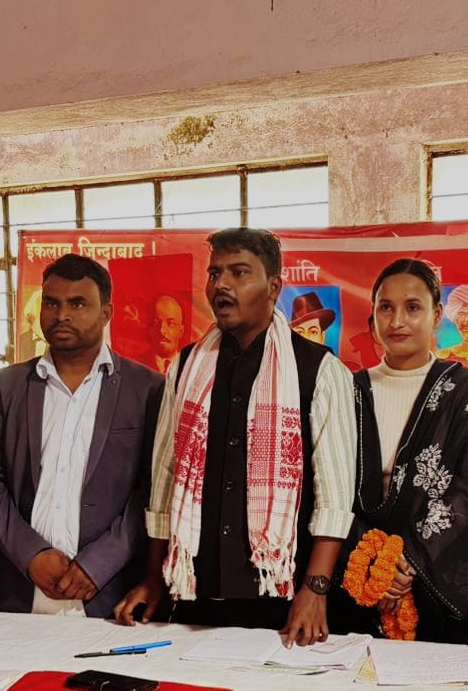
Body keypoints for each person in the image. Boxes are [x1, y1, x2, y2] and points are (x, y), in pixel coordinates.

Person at [116, 228, 356, 644]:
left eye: (239, 272)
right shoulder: (186, 367)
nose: (221, 285)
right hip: (193, 592)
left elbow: (334, 497)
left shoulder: (319, 369)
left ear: (274, 287)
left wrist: (315, 591)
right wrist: (154, 577)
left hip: (283, 599)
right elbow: (165, 479)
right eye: (215, 274)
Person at [0, 254, 162, 617]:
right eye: (51, 303)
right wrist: (31, 553)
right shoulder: (8, 385)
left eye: (78, 304)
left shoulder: (147, 389)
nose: (62, 315)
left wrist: (100, 563)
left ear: (106, 313)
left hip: (108, 593)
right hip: (19, 588)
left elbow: (152, 490)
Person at [337, 258, 468, 643]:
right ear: (373, 317)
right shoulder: (345, 390)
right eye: (385, 308)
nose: (397, 321)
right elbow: (327, 486)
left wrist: (405, 561)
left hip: (433, 575)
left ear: (437, 314)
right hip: (357, 573)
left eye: (412, 307)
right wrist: (375, 559)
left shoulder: (465, 388)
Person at [146, 293, 189, 374]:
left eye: (170, 323)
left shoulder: (190, 368)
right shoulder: (136, 366)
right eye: (156, 323)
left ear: (181, 331)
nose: (162, 330)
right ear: (149, 329)